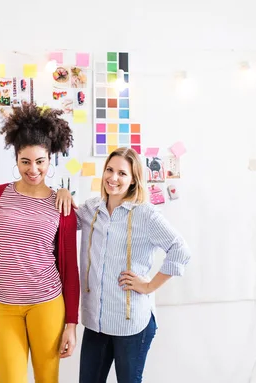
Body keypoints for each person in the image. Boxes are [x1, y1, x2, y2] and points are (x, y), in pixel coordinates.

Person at [0, 102, 79, 383]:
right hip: (5, 305)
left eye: (40, 161)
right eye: (25, 161)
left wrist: (71, 324)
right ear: (16, 159)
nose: (33, 169)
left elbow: (71, 271)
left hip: (47, 304)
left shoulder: (62, 205)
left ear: (50, 160)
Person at [55, 147, 191, 383]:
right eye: (109, 170)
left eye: (122, 173)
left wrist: (148, 286)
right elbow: (61, 225)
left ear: (133, 180)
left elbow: (180, 250)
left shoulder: (146, 215)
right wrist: (63, 192)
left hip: (131, 323)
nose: (113, 178)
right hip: (95, 321)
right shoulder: (90, 210)